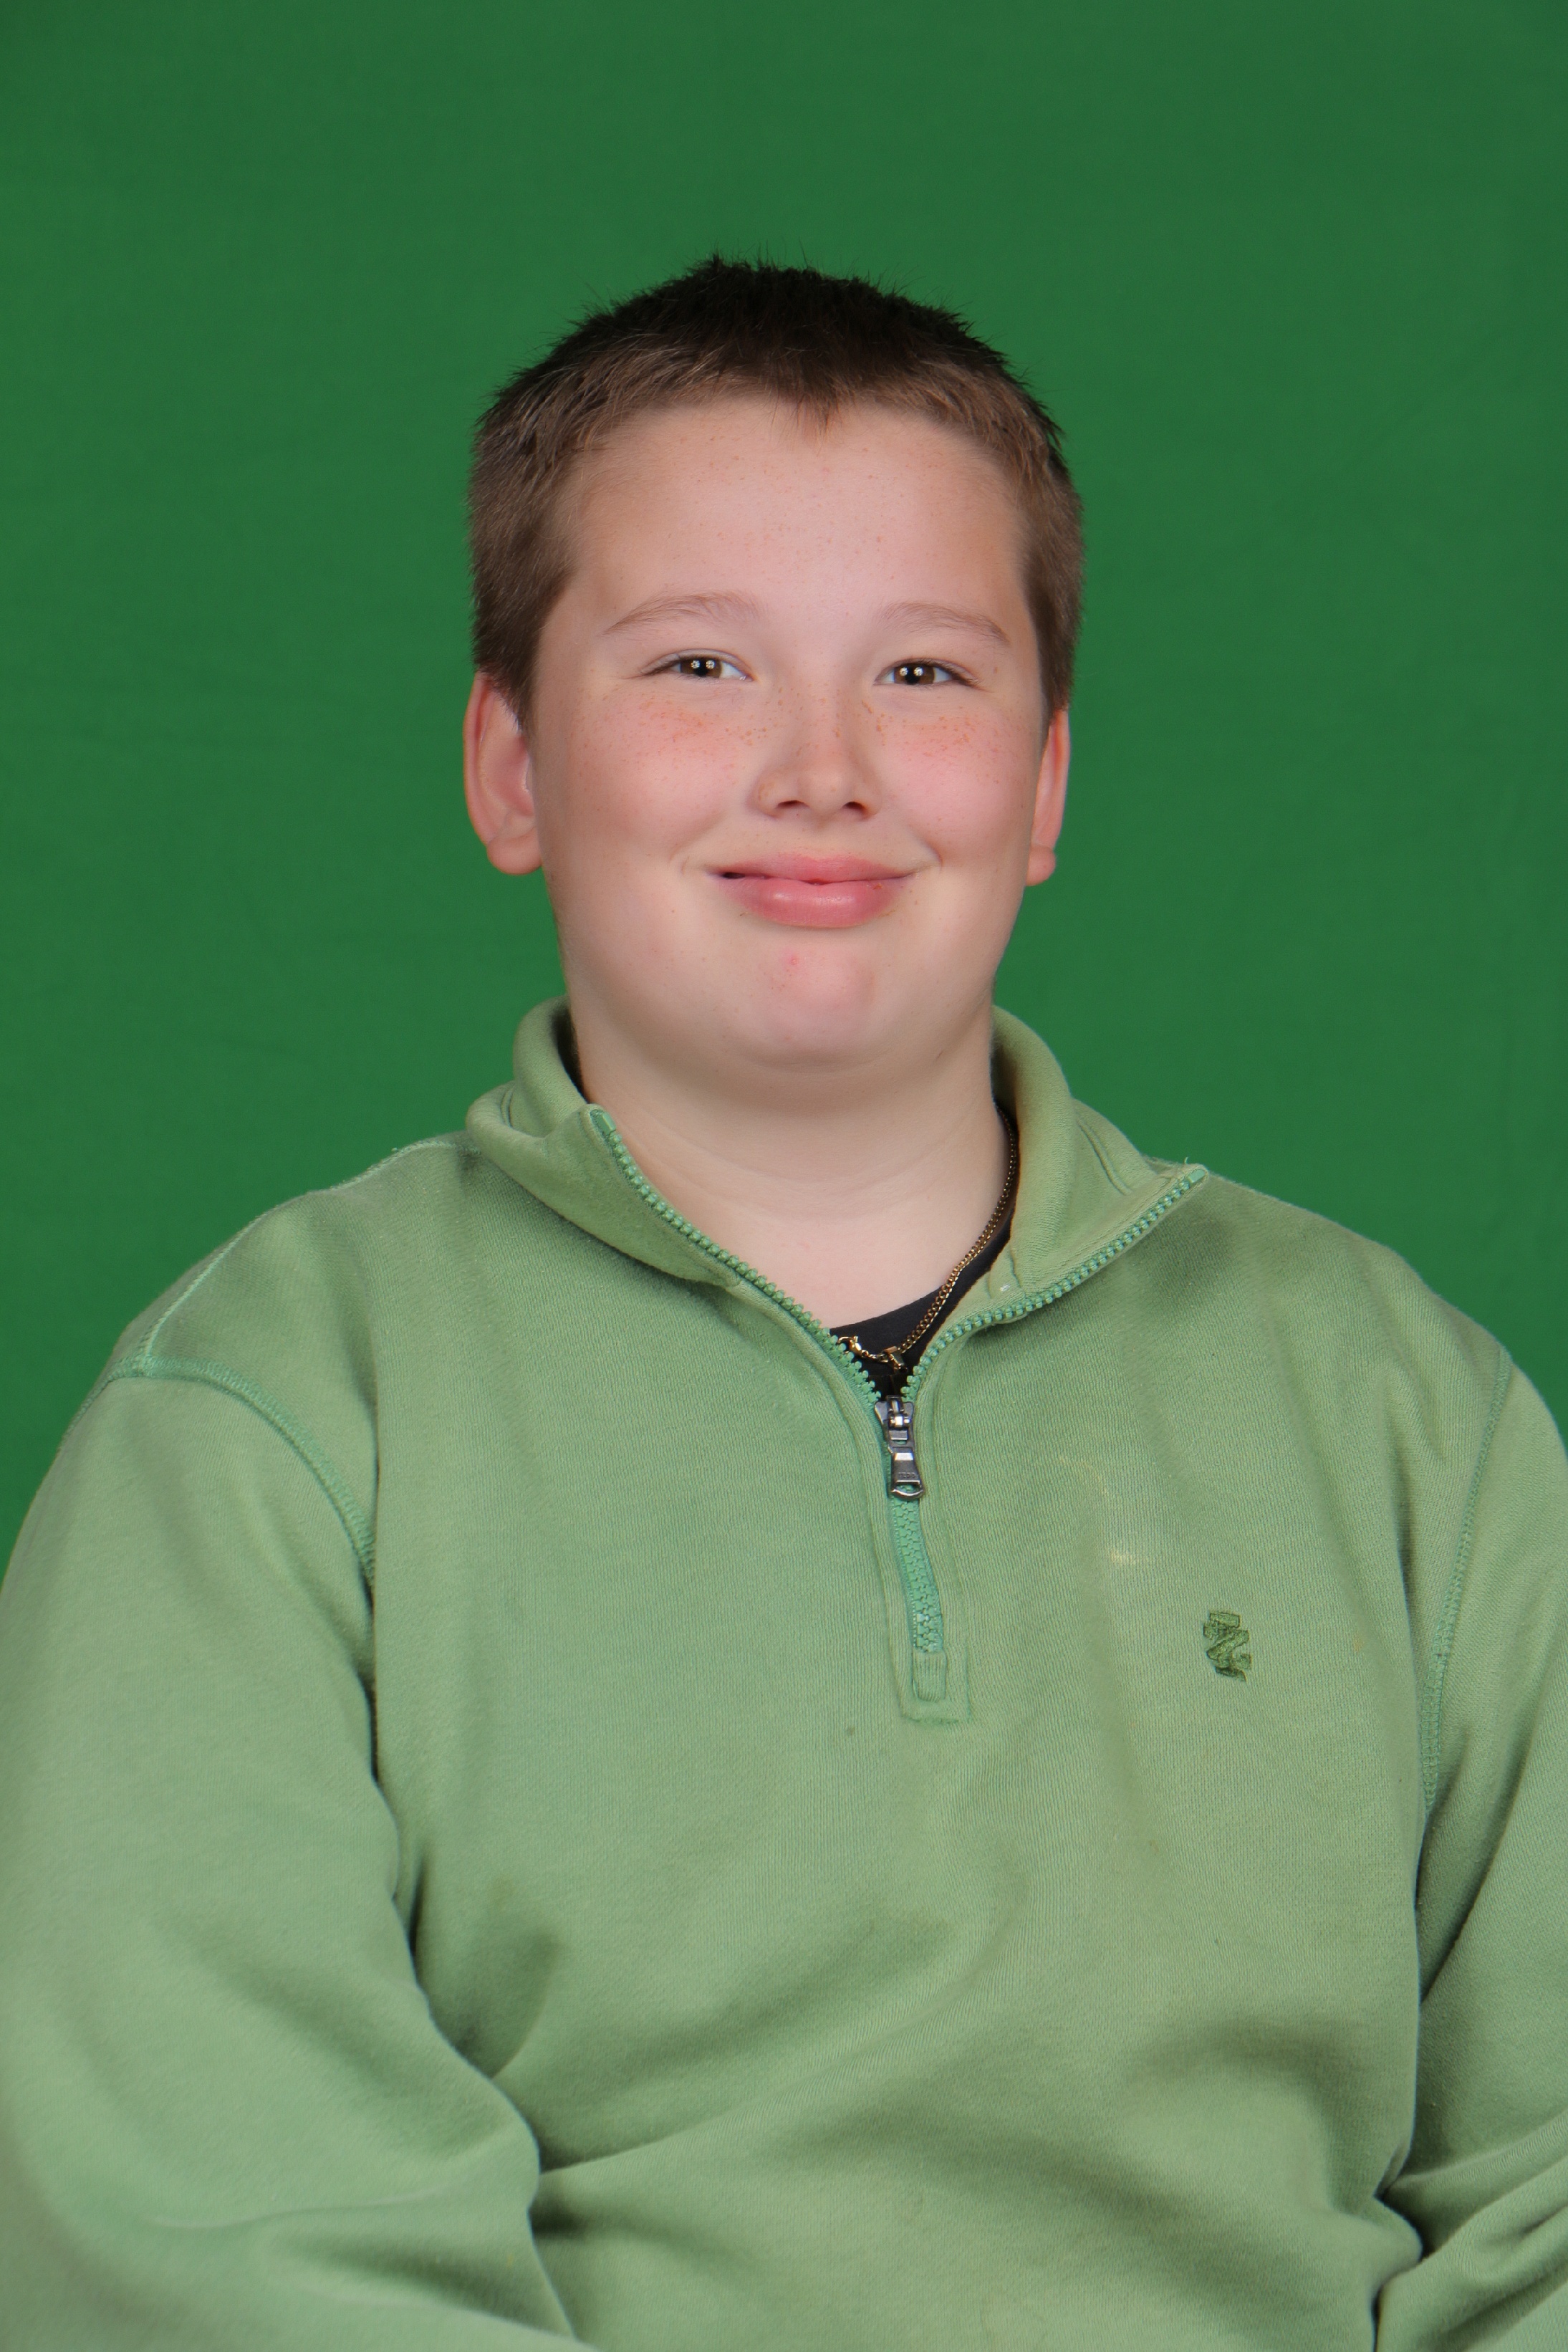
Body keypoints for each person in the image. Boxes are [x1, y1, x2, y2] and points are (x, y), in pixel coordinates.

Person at [0, 257, 1564, 2352]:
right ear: (511, 768)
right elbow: (225, 2247)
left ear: (1044, 782)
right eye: (701, 665)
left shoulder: (1403, 1415)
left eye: (922, 672)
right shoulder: (267, 1417)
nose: (823, 768)